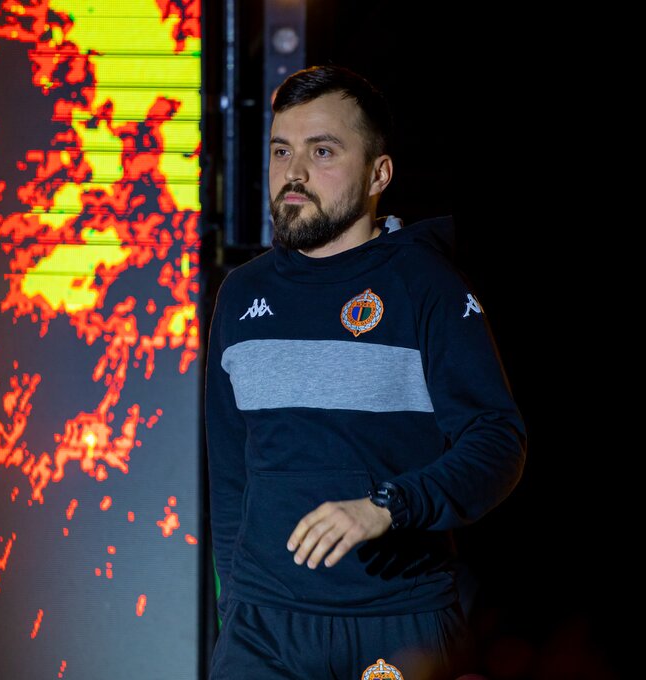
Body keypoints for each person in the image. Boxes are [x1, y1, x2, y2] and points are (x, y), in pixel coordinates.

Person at [203, 64, 527, 679]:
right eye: (281, 150)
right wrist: (234, 606)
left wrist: (388, 506)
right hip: (263, 630)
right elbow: (230, 475)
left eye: (322, 151)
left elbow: (497, 442)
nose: (294, 173)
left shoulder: (426, 285)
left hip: (398, 621)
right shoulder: (242, 295)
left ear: (379, 174)